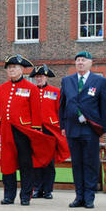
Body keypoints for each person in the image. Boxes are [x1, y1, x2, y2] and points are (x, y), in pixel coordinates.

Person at [0, 55, 56, 206]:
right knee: (7, 164)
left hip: (24, 131)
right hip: (7, 130)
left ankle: (25, 195)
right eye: (9, 68)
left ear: (22, 69)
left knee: (25, 165)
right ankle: (9, 195)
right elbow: (0, 111)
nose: (11, 70)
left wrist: (35, 132)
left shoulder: (31, 88)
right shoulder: (3, 87)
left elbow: (36, 112)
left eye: (14, 67)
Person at [59, 51, 106, 209]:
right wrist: (62, 126)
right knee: (77, 163)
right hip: (72, 128)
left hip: (90, 129)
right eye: (78, 60)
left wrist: (102, 128)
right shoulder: (67, 81)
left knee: (90, 163)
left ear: (90, 63)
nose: (80, 63)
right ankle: (79, 196)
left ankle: (89, 197)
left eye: (83, 60)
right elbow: (62, 104)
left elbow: (105, 106)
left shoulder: (99, 81)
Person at [30, 65, 70, 199]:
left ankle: (48, 190)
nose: (39, 79)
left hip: (50, 131)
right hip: (35, 131)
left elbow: (60, 111)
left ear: (46, 77)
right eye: (37, 77)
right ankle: (37, 189)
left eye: (41, 76)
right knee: (36, 162)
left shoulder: (55, 92)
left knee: (49, 163)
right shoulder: (31, 91)